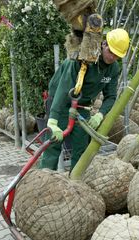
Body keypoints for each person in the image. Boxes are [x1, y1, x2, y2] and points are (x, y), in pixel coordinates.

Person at [39, 28, 130, 171]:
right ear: (104, 44)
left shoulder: (113, 69)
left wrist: (100, 115)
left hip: (83, 107)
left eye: (117, 56)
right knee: (53, 143)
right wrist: (53, 119)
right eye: (111, 52)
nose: (112, 57)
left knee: (81, 148)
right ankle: (43, 179)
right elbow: (63, 88)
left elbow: (111, 96)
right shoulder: (81, 58)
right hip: (61, 101)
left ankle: (75, 183)